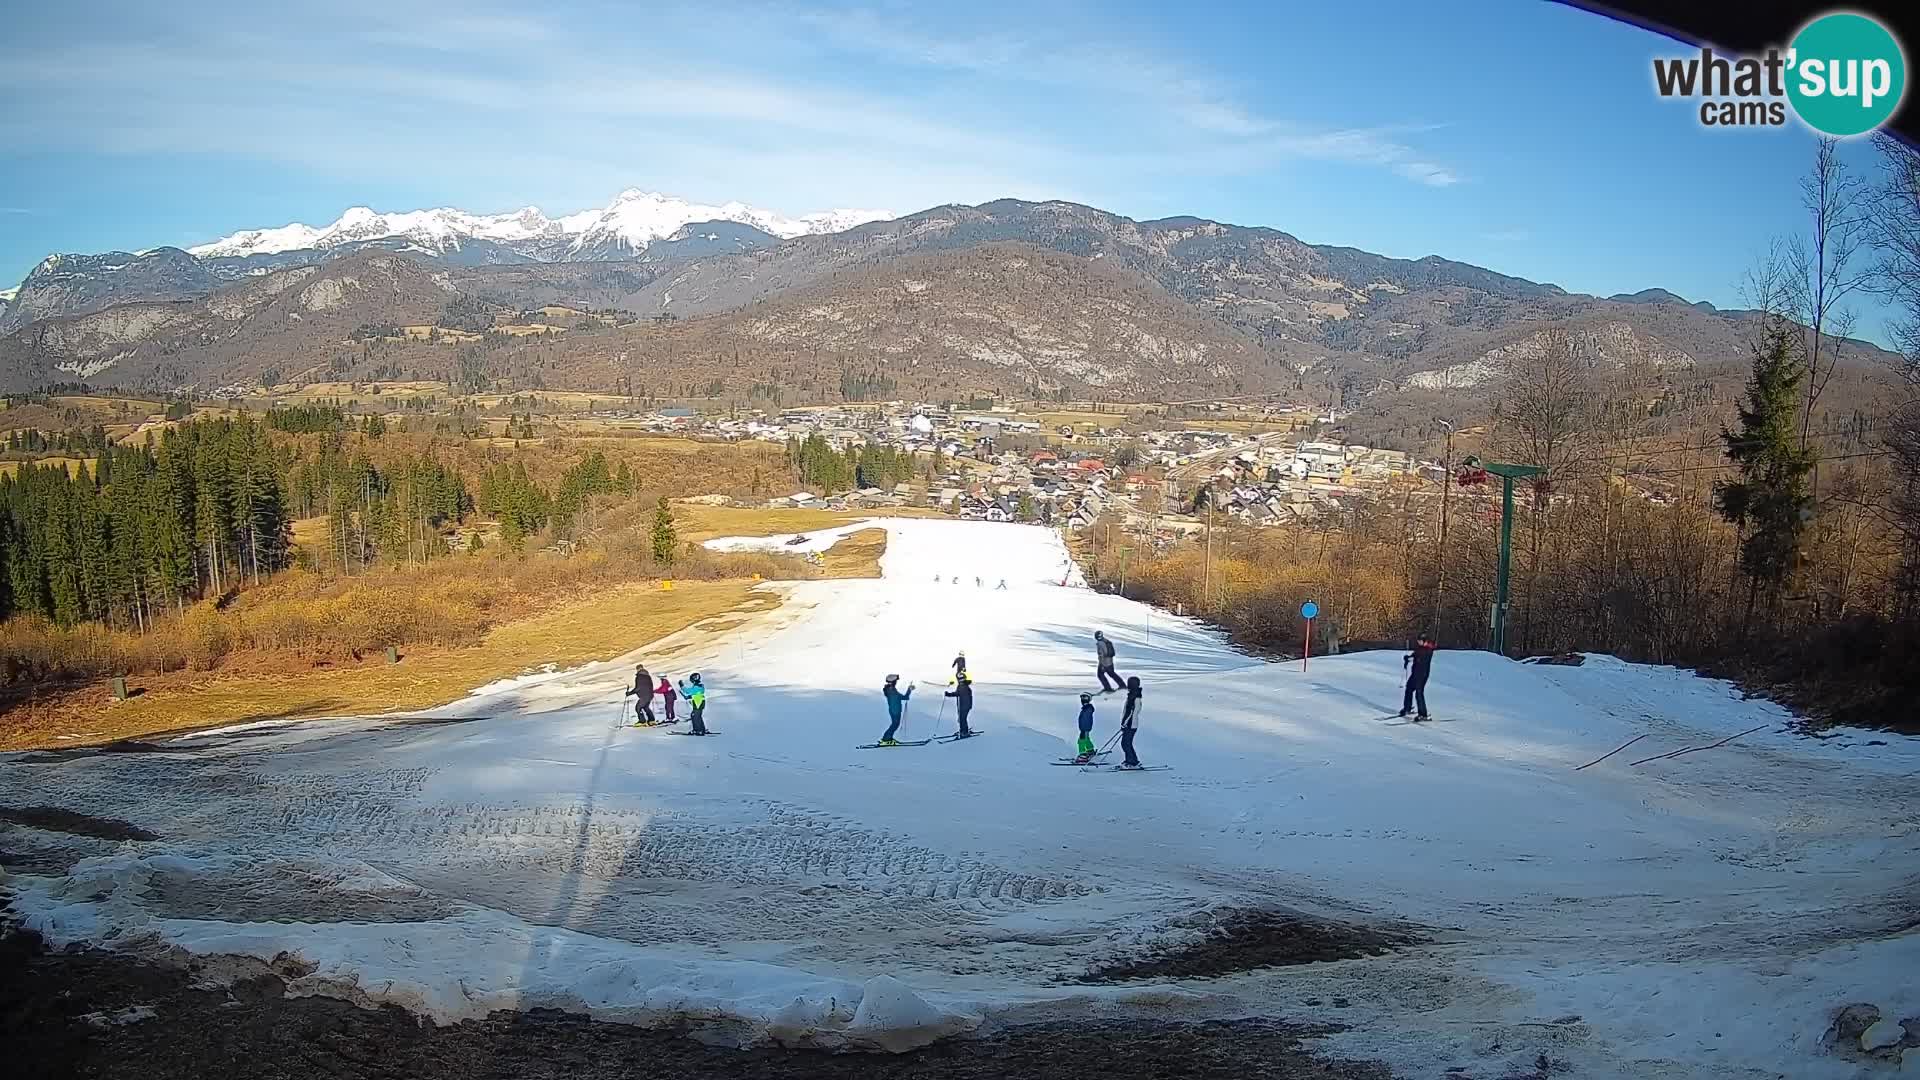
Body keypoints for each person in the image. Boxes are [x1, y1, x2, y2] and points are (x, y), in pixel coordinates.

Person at [1401, 634, 1436, 721]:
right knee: (1409, 688)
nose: (1418, 642)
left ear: (1424, 641)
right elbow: (1415, 655)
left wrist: (1411, 658)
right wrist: (1408, 658)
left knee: (1419, 693)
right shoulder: (1420, 648)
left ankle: (1423, 714)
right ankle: (1407, 708)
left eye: (1420, 641)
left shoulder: (1428, 650)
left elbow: (1419, 657)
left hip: (1422, 675)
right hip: (1415, 674)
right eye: (1418, 641)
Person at [879, 674, 915, 745]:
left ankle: (888, 738)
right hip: (895, 711)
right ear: (893, 682)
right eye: (895, 681)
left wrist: (909, 690)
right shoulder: (892, 691)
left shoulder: (890, 689)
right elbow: (905, 697)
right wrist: (909, 690)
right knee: (895, 725)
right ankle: (886, 739)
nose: (896, 682)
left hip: (893, 710)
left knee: (894, 724)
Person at [1118, 676, 1144, 768]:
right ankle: (1130, 760)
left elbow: (1133, 712)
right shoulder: (1131, 695)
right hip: (1128, 723)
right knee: (1125, 743)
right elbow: (1127, 711)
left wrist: (1125, 723)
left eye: (1129, 683)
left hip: (1131, 724)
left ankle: (1133, 762)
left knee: (1126, 743)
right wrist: (1123, 722)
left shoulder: (1136, 697)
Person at [945, 667, 975, 737]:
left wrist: (949, 694)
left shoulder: (964, 687)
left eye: (961, 679)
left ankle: (964, 732)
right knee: (961, 718)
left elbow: (957, 693)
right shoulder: (962, 686)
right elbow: (957, 693)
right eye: (959, 679)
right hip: (963, 705)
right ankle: (962, 730)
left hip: (965, 705)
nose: (960, 680)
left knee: (962, 719)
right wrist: (949, 694)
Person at [1075, 692, 1097, 760]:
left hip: (1085, 728)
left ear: (1089, 699)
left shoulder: (1088, 709)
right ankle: (1090, 750)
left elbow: (1086, 720)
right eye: (1082, 697)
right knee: (1086, 739)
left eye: (1085, 697)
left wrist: (1084, 729)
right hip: (1085, 728)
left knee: (1081, 740)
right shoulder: (1086, 708)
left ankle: (1082, 755)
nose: (1083, 699)